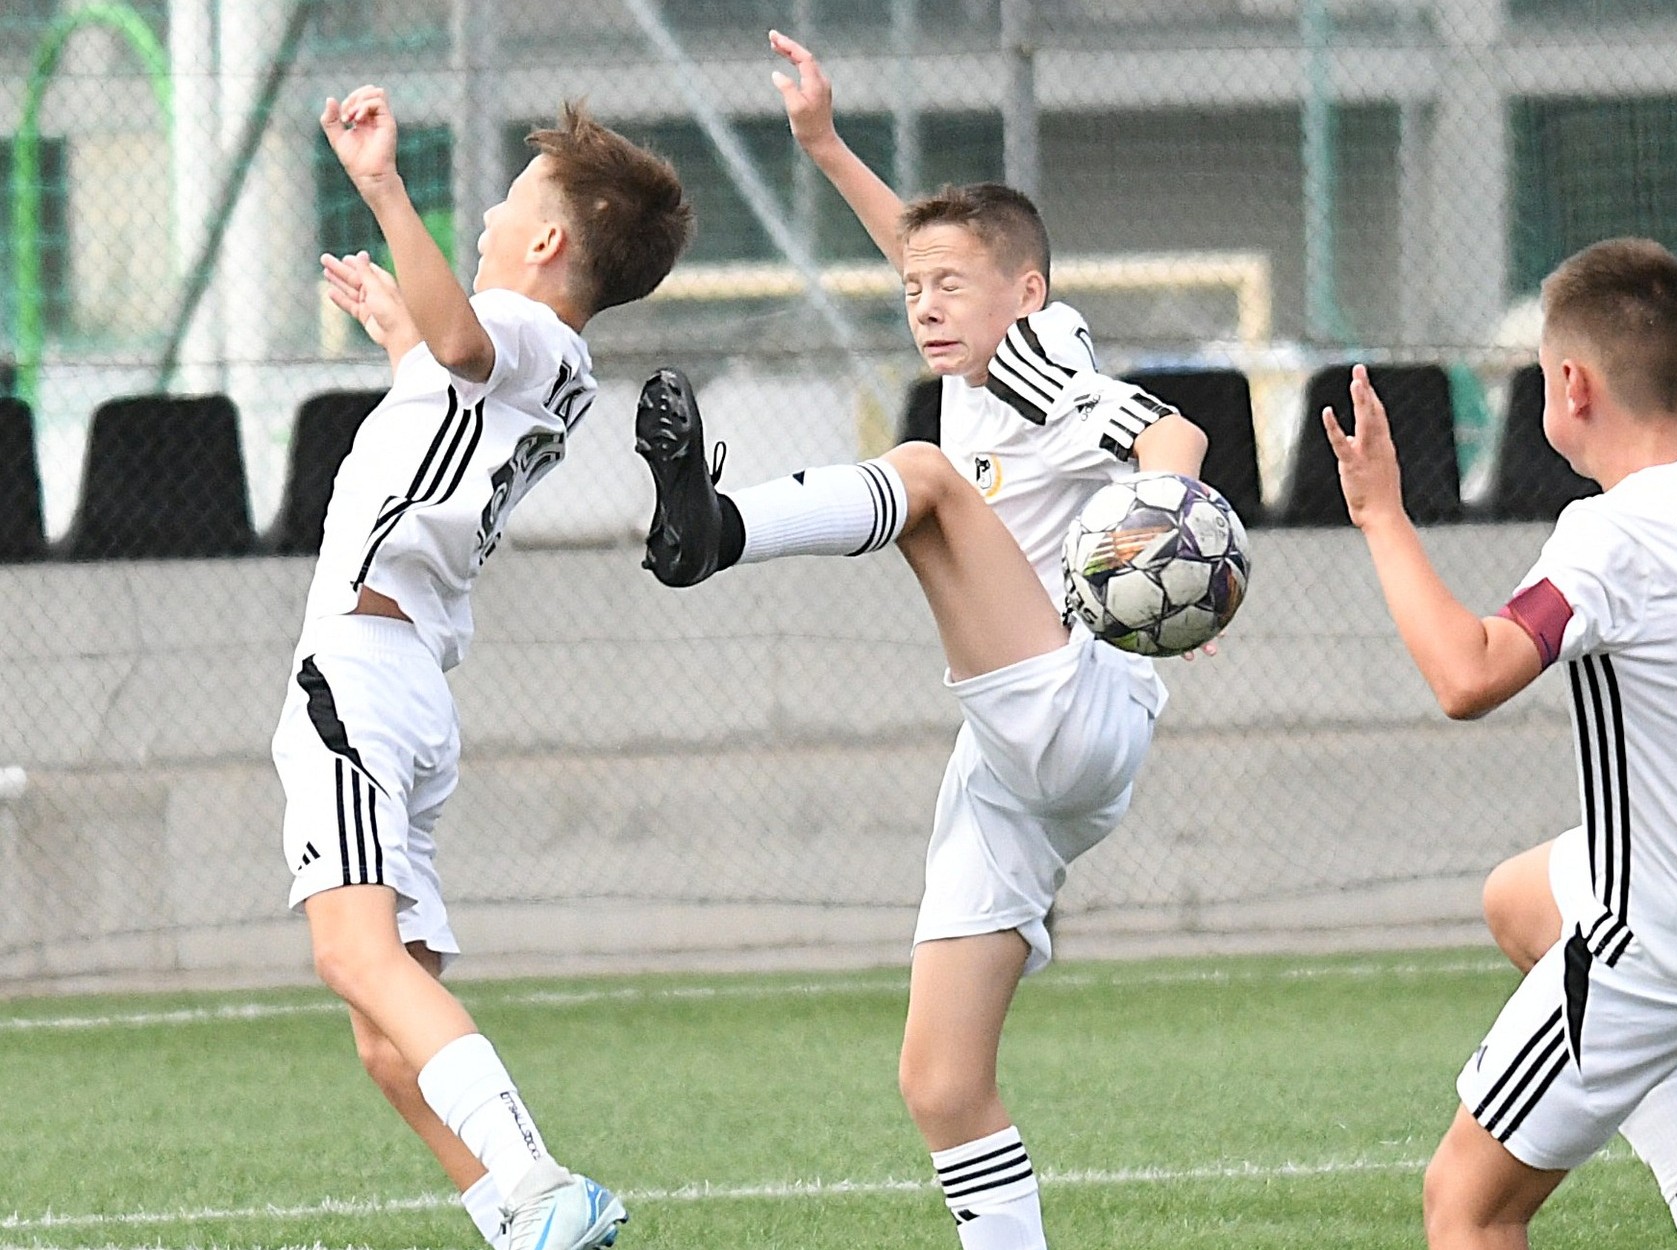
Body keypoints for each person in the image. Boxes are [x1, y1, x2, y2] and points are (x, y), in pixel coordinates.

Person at [633, 31, 1214, 1250]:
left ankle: (713, 530)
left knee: (925, 481)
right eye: (912, 290)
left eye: (950, 286)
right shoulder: (977, 338)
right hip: (1011, 760)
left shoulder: (1040, 355)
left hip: (1073, 701)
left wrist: (1169, 550)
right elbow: (924, 246)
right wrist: (823, 144)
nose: (924, 305)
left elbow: (1174, 438)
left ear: (1028, 293)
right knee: (941, 1082)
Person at [1322, 238, 1677, 1250]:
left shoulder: (1612, 533)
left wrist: (1381, 514)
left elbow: (1467, 674)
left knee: (1466, 1205)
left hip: (1674, 928)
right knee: (1519, 900)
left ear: (1570, 386)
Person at [273, 85, 691, 1250]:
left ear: (546, 241)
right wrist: (402, 333)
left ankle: (539, 1178)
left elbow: (465, 343)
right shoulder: (562, 366)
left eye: (506, 203)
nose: (489, 219)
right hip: (408, 686)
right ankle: (517, 1217)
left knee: (350, 952)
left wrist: (381, 188)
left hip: (359, 671)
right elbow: (456, 378)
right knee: (383, 1028)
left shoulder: (510, 329)